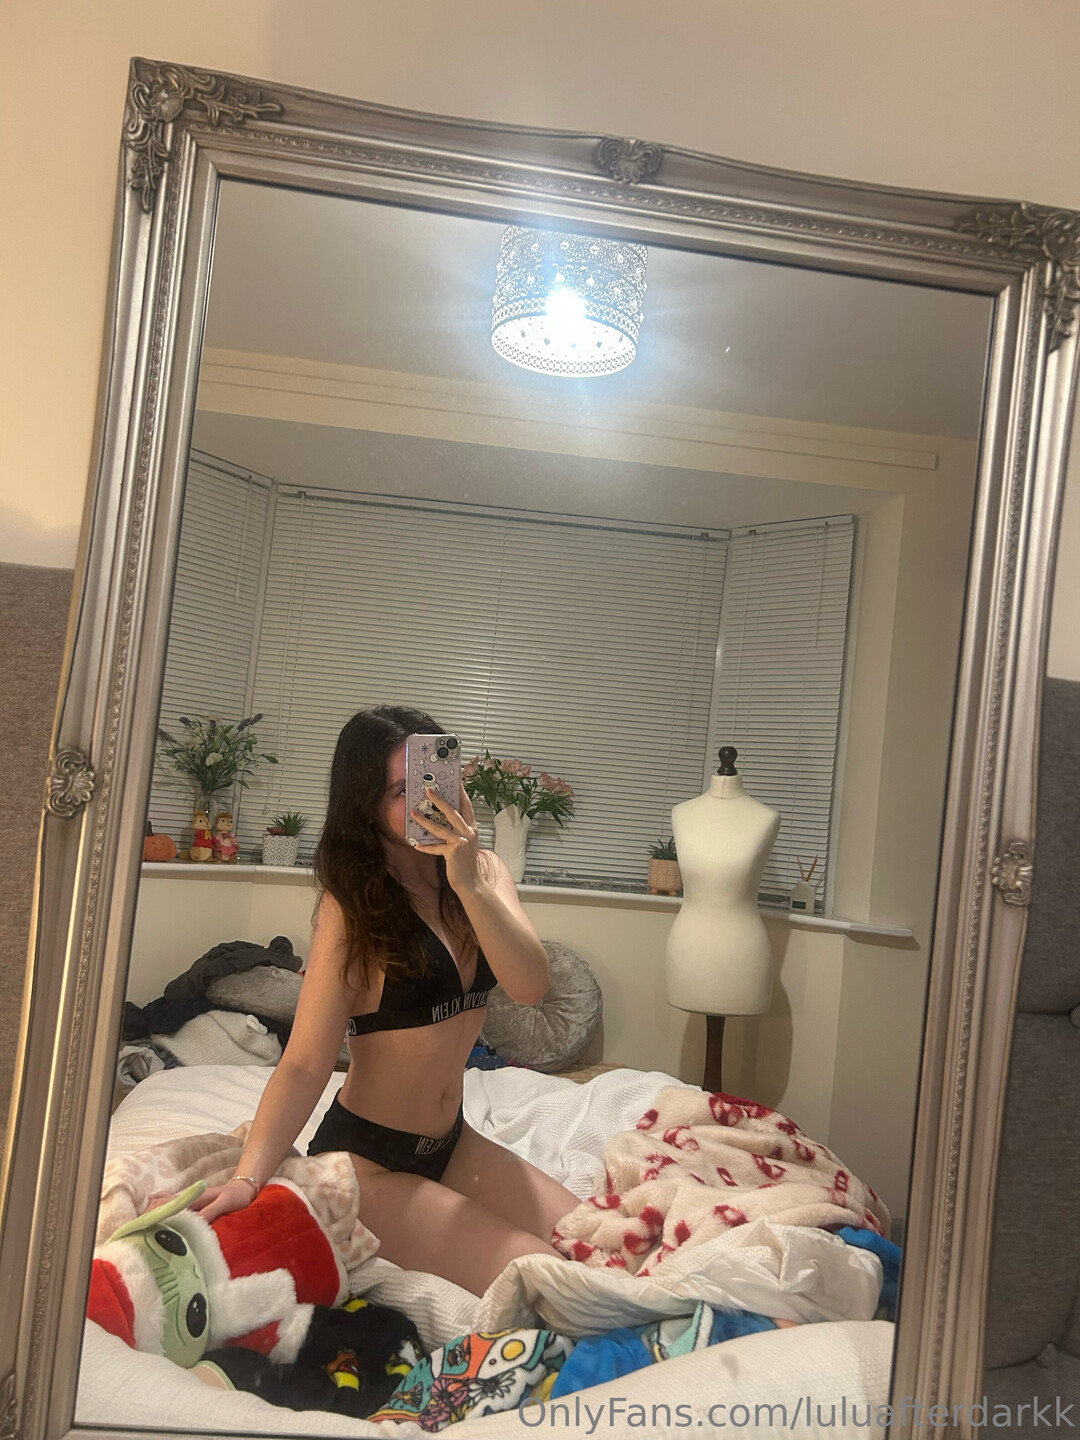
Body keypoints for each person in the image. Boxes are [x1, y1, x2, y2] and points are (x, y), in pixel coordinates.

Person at [186, 705, 579, 1296]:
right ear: (365, 803)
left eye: (436, 781)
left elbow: (531, 987)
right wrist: (247, 1179)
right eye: (403, 790)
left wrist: (469, 880)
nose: (427, 801)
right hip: (369, 1161)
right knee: (549, 1278)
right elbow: (305, 1062)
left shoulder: (483, 873)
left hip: (453, 1143)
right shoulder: (351, 906)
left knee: (597, 1239)